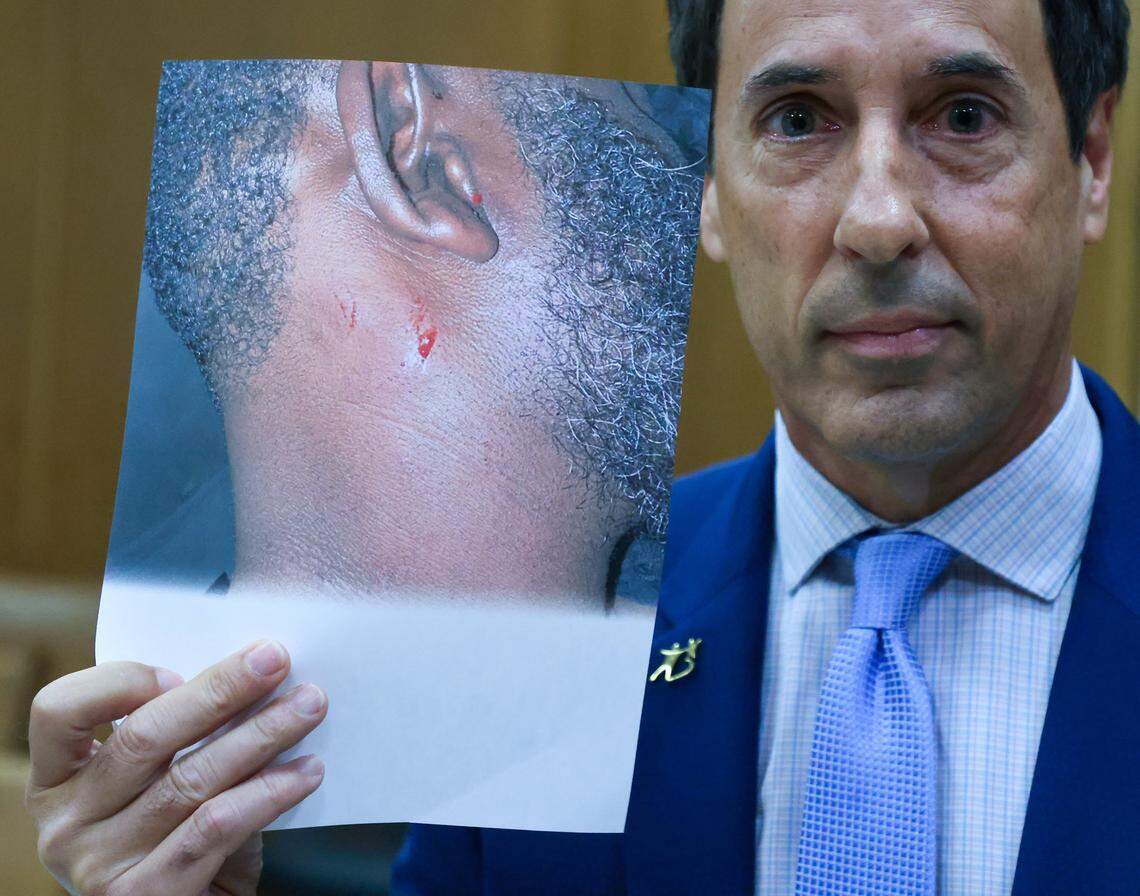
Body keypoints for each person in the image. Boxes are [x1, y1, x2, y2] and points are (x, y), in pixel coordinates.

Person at [26, 0, 1139, 890]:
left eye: (964, 117)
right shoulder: (534, 680)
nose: (879, 218)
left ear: (1091, 158)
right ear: (711, 190)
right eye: (798, 120)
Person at [23, 60, 705, 894]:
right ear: (421, 154)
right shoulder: (170, 830)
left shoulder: (709, 658)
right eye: (659, 125)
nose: (696, 191)